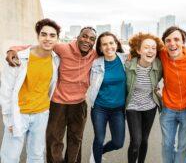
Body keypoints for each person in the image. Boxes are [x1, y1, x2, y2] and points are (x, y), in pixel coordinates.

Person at [5, 26, 98, 163]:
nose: (87, 41)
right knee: (54, 139)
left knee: (76, 139)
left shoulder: (94, 54)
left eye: (91, 39)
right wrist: (13, 49)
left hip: (79, 104)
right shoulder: (63, 48)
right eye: (84, 36)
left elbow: (112, 53)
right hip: (58, 102)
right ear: (77, 37)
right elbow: (38, 47)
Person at [0, 18, 60, 163]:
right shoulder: (18, 58)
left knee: (37, 155)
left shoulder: (56, 59)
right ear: (38, 36)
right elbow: (6, 90)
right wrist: (8, 118)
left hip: (41, 113)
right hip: (19, 113)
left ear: (57, 38)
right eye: (44, 34)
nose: (48, 39)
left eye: (52, 35)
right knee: (10, 156)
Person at [159, 26, 186, 163]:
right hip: (168, 110)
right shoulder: (161, 54)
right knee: (167, 145)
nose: (172, 43)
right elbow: (143, 49)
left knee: (184, 146)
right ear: (164, 44)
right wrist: (132, 54)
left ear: (183, 42)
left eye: (176, 39)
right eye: (168, 40)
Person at [88, 32, 127, 163]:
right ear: (100, 48)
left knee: (118, 142)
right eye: (104, 44)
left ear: (116, 44)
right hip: (100, 108)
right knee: (99, 139)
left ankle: (98, 151)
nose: (108, 47)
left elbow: (148, 53)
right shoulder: (95, 63)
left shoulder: (125, 59)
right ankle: (96, 158)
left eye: (111, 43)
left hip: (118, 109)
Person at [125, 33, 164, 163]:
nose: (150, 51)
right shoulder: (128, 65)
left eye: (153, 48)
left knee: (144, 140)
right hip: (132, 106)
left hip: (150, 106)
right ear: (138, 50)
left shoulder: (159, 65)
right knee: (136, 141)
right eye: (146, 47)